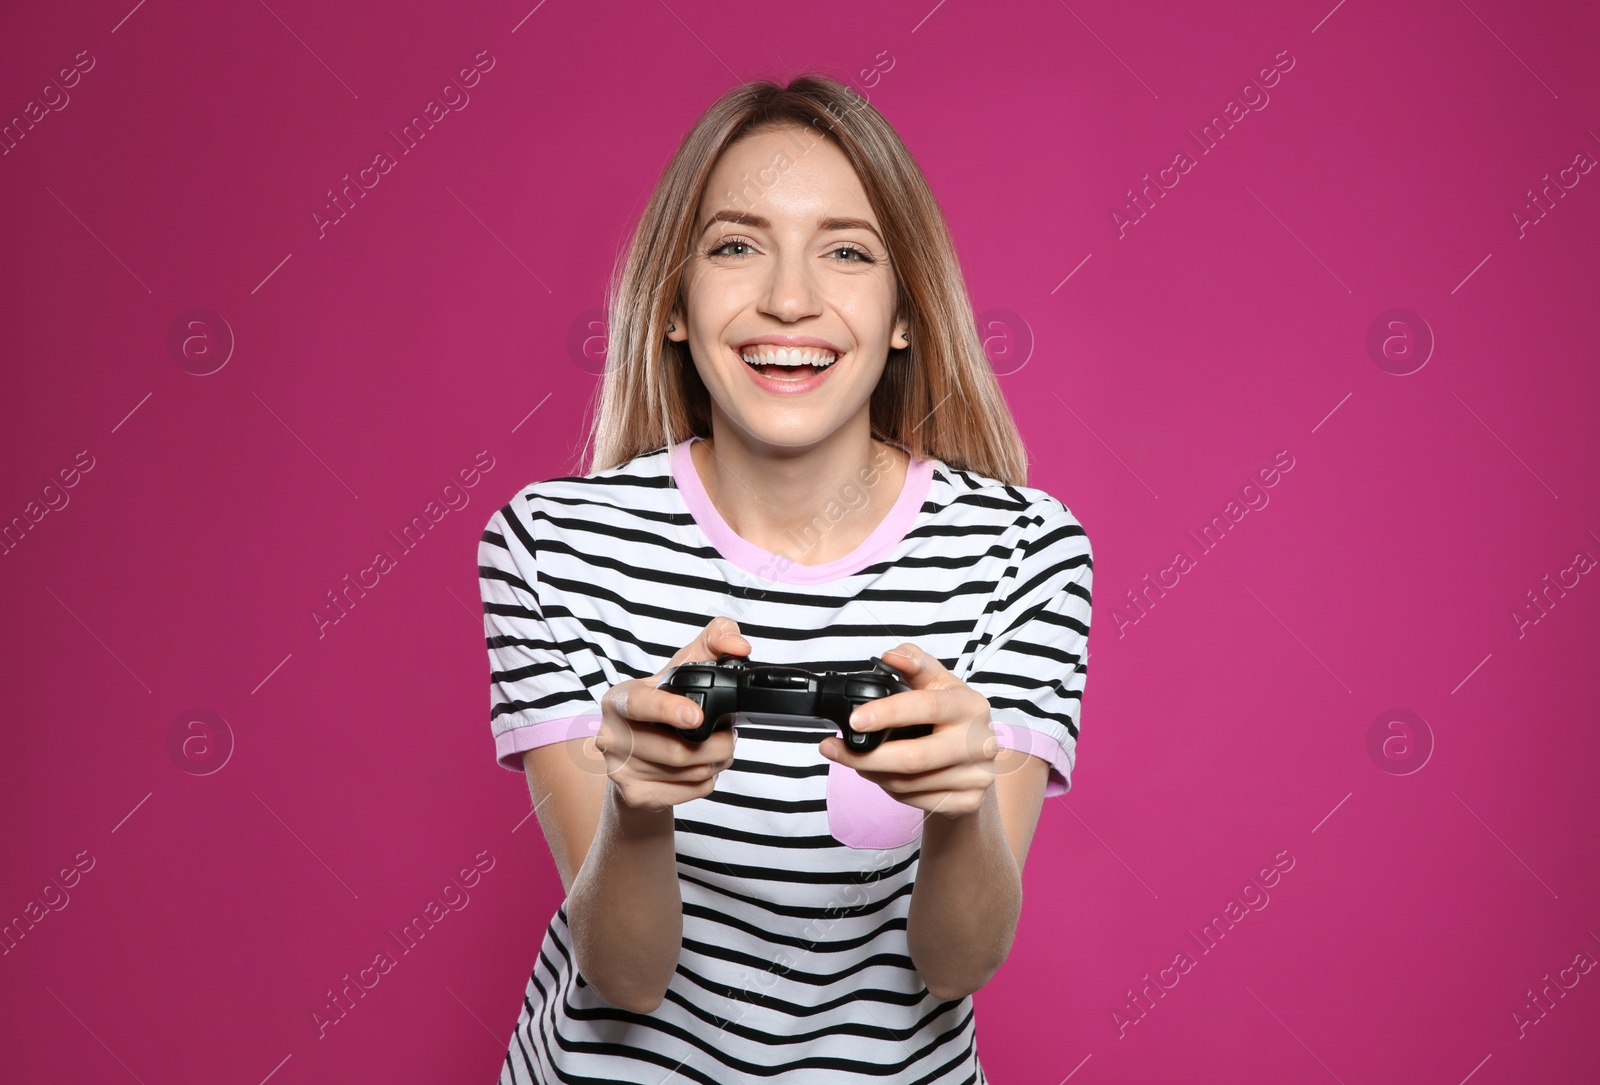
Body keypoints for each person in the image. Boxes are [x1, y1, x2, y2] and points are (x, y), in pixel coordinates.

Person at [478, 73, 1093, 1084]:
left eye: (846, 251)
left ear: (904, 315)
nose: (789, 299)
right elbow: (625, 976)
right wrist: (639, 806)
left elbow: (955, 959)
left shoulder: (1023, 550)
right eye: (734, 245)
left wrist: (959, 807)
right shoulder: (551, 543)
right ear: (673, 305)